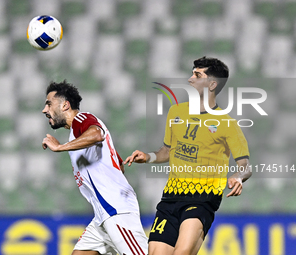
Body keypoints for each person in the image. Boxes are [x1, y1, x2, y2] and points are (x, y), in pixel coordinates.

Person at [124, 56, 252, 255]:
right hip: (170, 198)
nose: (190, 78)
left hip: (202, 199)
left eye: (197, 74)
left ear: (212, 84)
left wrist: (238, 177)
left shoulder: (227, 124)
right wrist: (148, 156)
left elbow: (245, 165)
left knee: (181, 252)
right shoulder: (176, 112)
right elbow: (166, 151)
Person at [41, 81, 148, 255]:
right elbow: (119, 165)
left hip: (115, 210)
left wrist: (60, 147)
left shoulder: (81, 119)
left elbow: (97, 134)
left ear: (65, 105)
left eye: (49, 104)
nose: (45, 110)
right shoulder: (76, 134)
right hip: (102, 215)